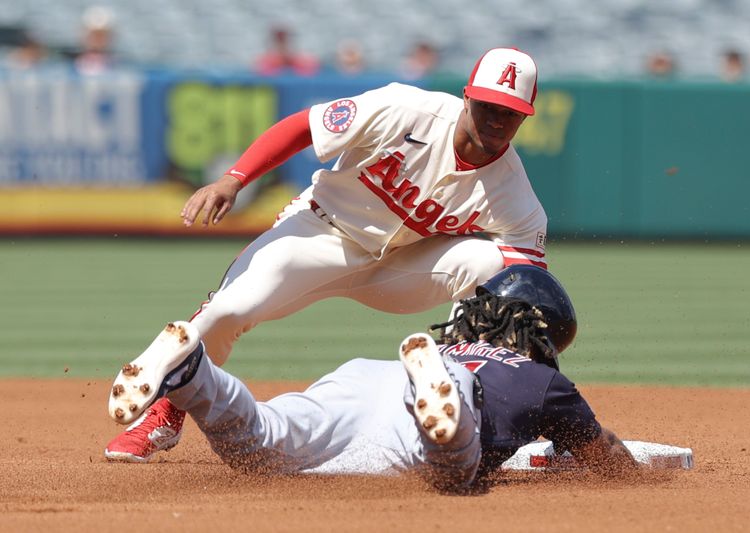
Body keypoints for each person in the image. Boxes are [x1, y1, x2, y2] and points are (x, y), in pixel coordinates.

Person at [104, 47, 550, 463]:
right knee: (227, 310)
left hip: (399, 268)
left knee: (494, 269)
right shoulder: (406, 109)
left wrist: (539, 396)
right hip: (321, 232)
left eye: (510, 113)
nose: (496, 119)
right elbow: (303, 126)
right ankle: (165, 414)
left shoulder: (517, 199)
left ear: (524, 118)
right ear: (467, 97)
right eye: (488, 105)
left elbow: (527, 302)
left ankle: (462, 405)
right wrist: (234, 179)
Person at [107, 265, 637, 489]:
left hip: (367, 378)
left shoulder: (458, 340)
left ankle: (194, 372)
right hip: (442, 396)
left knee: (260, 442)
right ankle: (442, 414)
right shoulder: (540, 380)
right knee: (453, 467)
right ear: (538, 332)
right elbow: (605, 459)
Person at [253, 25, 320, 76]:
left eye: (284, 40)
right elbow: (260, 72)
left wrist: (291, 61)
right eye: (279, 40)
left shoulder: (301, 59)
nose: (282, 44)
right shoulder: (266, 60)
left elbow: (312, 71)